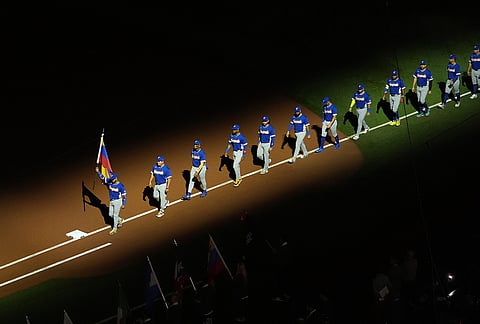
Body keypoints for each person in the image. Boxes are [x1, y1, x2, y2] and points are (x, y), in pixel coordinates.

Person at [95, 168, 127, 235]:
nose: (112, 180)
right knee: (110, 214)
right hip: (111, 201)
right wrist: (98, 172)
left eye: (113, 179)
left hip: (118, 201)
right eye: (111, 179)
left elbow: (124, 195)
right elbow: (103, 178)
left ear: (116, 178)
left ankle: (114, 229)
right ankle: (120, 219)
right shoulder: (109, 182)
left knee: (115, 215)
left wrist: (124, 203)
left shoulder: (121, 186)